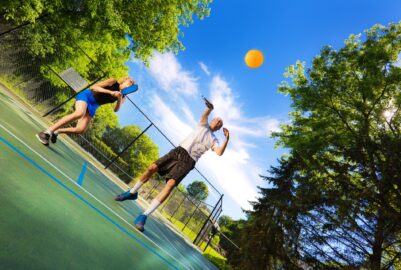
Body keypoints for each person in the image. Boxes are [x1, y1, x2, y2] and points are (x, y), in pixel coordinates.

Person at [115, 98, 230, 232]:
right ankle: (132, 192)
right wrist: (210, 108)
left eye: (220, 122)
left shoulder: (214, 140)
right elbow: (205, 114)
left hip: (188, 162)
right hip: (177, 152)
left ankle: (143, 216)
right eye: (216, 119)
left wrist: (227, 139)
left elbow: (219, 152)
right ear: (212, 120)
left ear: (219, 128)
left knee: (169, 186)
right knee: (151, 168)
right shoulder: (203, 124)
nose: (218, 121)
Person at [36, 77, 135, 146]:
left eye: (130, 86)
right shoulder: (113, 82)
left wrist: (119, 99)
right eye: (128, 83)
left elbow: (116, 110)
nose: (128, 86)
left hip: (94, 106)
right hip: (87, 96)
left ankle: (57, 131)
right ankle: (46, 133)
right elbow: (94, 87)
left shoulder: (122, 97)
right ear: (124, 81)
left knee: (80, 130)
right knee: (79, 113)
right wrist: (110, 92)